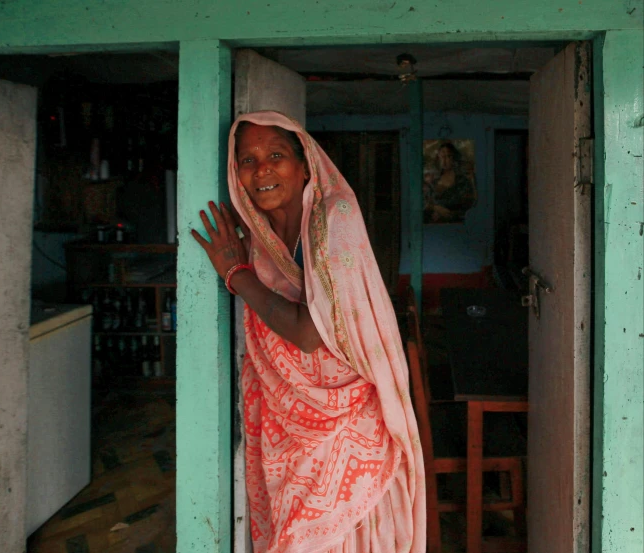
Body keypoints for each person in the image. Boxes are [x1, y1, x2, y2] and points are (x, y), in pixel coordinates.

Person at [191, 111, 425, 553]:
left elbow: (309, 333)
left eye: (276, 155)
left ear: (305, 164)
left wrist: (235, 275)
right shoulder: (259, 239)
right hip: (291, 434)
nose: (261, 169)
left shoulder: (332, 217)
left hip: (348, 430)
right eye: (247, 160)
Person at [423, 142, 476, 224]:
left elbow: (468, 206)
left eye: (448, 156)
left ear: (454, 158)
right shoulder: (433, 182)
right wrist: (435, 208)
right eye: (442, 156)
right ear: (439, 158)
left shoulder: (462, 181)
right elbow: (424, 203)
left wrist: (448, 215)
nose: (445, 160)